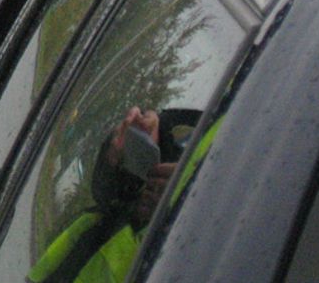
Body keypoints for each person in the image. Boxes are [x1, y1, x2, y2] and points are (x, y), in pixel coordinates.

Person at [28, 107, 198, 283]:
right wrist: (116, 155)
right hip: (61, 269)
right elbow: (107, 195)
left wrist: (183, 202)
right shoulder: (185, 125)